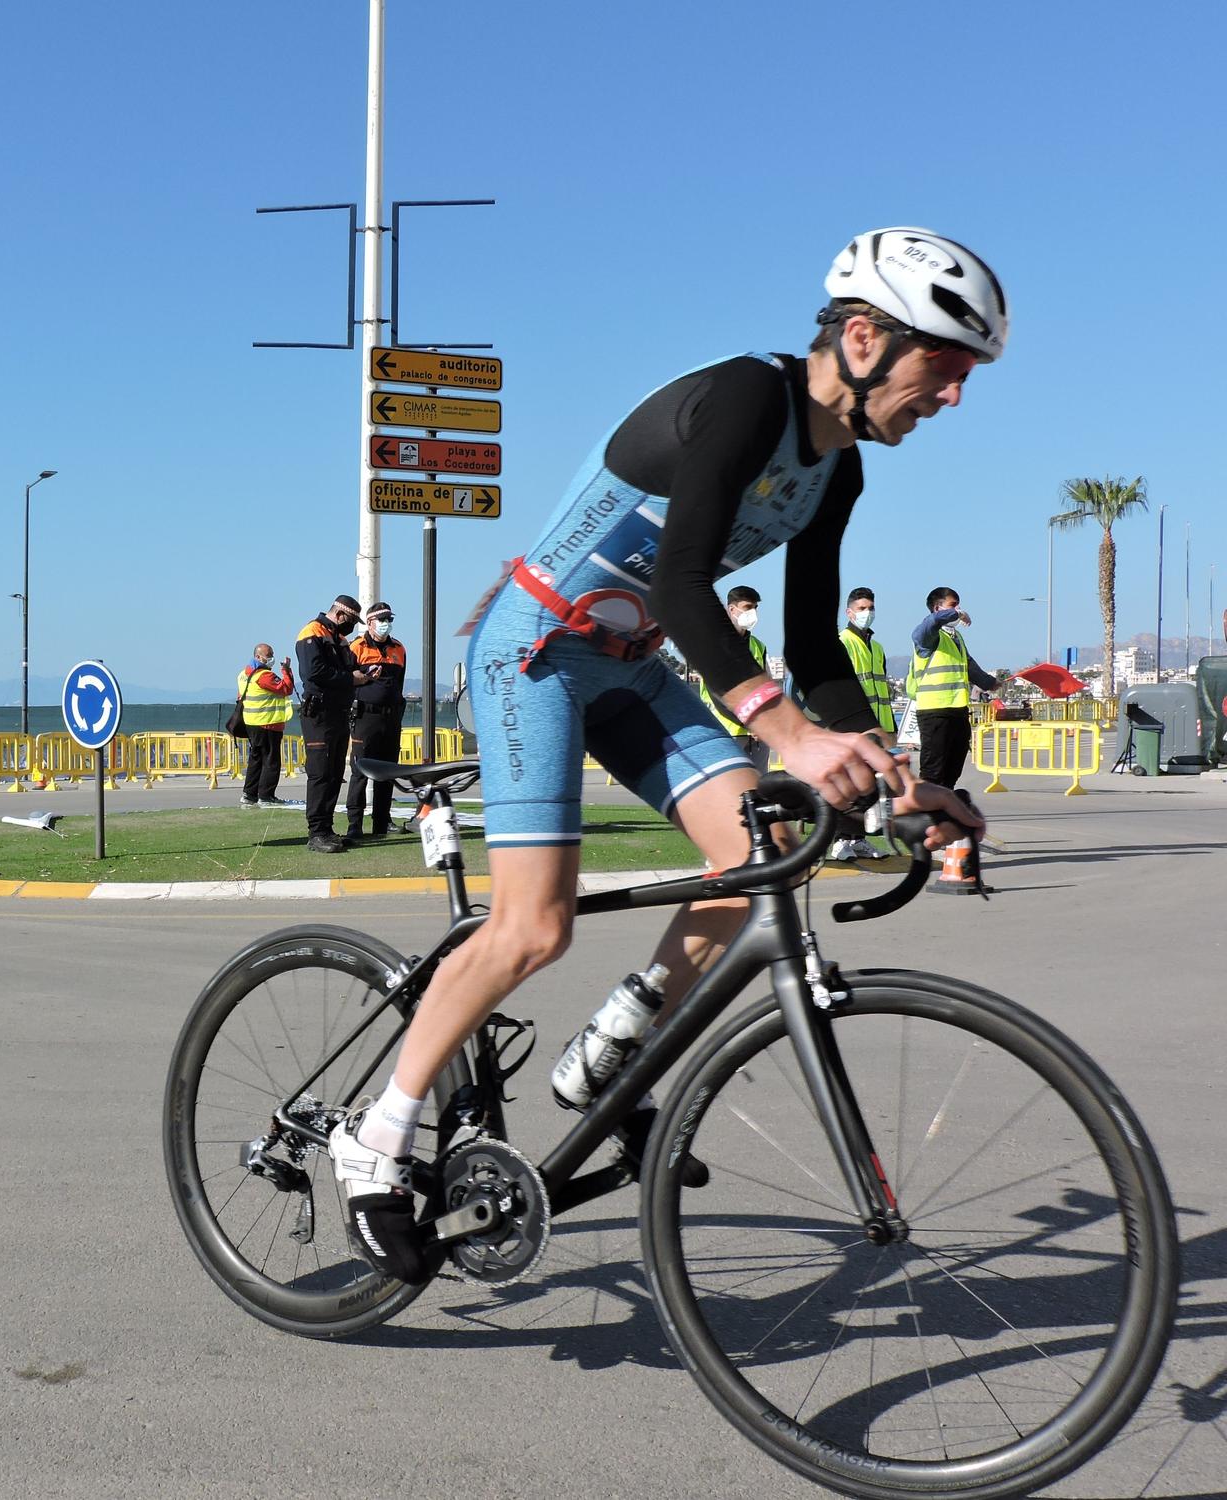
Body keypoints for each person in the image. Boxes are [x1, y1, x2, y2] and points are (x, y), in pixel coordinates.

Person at [325, 226, 997, 1283]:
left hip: (631, 667)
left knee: (762, 847)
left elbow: (815, 643)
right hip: (536, 652)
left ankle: (612, 1053)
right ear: (862, 339)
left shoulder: (839, 473)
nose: (953, 395)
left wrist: (892, 771)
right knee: (531, 926)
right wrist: (782, 731)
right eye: (944, 368)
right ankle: (374, 1137)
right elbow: (686, 584)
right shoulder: (744, 397)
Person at [909, 587, 1008, 789]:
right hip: (935, 712)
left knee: (953, 768)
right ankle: (927, 813)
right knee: (932, 771)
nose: (959, 609)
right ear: (938, 608)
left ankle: (946, 807)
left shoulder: (955, 638)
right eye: (953, 605)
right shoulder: (929, 636)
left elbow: (970, 667)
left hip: (958, 711)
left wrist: (990, 683)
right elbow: (926, 626)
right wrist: (955, 614)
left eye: (958, 605)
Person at [831, 587, 897, 859]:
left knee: (868, 788)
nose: (867, 613)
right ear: (849, 612)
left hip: (876, 727)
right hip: (852, 726)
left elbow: (881, 690)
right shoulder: (842, 641)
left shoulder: (877, 647)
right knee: (849, 785)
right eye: (861, 608)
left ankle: (857, 839)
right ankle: (839, 841)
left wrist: (889, 727)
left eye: (870, 608)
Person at [294, 594, 361, 852]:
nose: (352, 626)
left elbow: (350, 669)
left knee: (334, 773)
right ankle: (316, 832)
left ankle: (327, 828)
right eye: (352, 620)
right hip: (319, 713)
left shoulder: (340, 639)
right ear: (340, 615)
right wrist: (350, 679)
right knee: (321, 773)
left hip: (338, 712)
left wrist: (362, 674)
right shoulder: (312, 632)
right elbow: (314, 672)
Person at [345, 602, 407, 839]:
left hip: (391, 717)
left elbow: (399, 683)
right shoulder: (357, 647)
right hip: (365, 716)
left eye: (389, 619)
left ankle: (382, 821)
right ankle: (355, 825)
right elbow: (346, 680)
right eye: (381, 620)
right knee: (360, 771)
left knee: (387, 771)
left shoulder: (398, 648)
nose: (386, 624)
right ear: (369, 623)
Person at [704, 586, 769, 757]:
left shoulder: (758, 646)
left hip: (759, 734)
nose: (753, 613)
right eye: (748, 607)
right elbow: (717, 693)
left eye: (755, 608)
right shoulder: (714, 644)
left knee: (760, 783)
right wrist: (750, 724)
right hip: (726, 731)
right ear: (732, 609)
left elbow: (764, 688)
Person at [236, 645, 294, 809]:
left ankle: (249, 794)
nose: (272, 658)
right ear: (259, 657)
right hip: (268, 723)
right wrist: (286, 670)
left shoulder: (243, 675)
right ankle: (266, 795)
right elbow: (286, 688)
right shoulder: (264, 675)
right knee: (271, 761)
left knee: (255, 759)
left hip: (251, 722)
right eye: (269, 655)